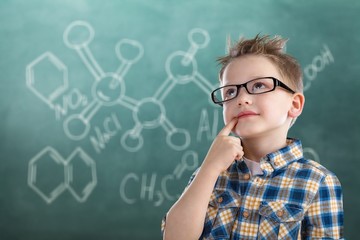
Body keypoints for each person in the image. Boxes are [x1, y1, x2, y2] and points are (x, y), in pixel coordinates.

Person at [161, 34, 344, 239]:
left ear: (294, 105)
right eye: (230, 92)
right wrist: (209, 168)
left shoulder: (317, 181)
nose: (242, 99)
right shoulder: (210, 173)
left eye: (259, 86)